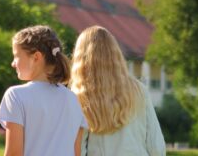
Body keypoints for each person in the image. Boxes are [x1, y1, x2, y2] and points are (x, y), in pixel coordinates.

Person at [70, 26, 166, 156]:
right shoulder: (140, 90)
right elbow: (156, 147)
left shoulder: (79, 96)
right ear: (115, 54)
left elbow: (77, 151)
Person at [0, 25, 87, 156]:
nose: (13, 63)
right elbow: (76, 153)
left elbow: (13, 153)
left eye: (16, 56)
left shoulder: (15, 95)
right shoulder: (74, 100)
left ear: (36, 57)